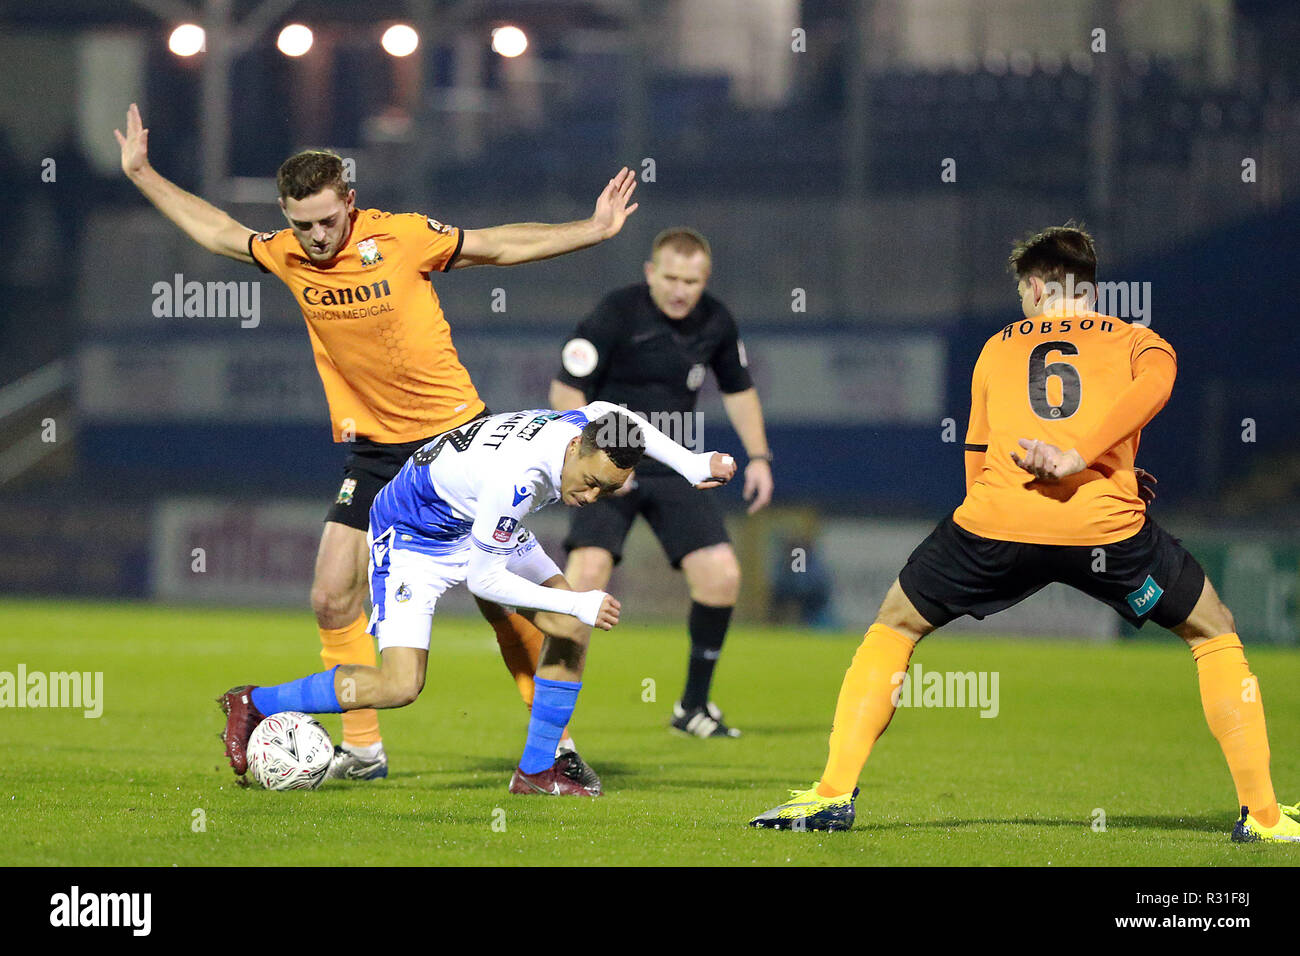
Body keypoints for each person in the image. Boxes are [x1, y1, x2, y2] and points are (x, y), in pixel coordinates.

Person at [116, 104, 638, 781]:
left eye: (327, 221)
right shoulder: (288, 253)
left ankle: (552, 752)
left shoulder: (403, 237)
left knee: (505, 603)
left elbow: (498, 244)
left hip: (455, 440)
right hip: (377, 453)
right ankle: (363, 752)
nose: (314, 237)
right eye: (300, 224)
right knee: (332, 595)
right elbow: (218, 231)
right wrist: (143, 173)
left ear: (350, 202)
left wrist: (592, 231)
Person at [750, 224, 1298, 842]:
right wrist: (1090, 459)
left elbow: (977, 452)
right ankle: (1264, 815)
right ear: (1088, 287)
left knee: (895, 624)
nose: (1022, 303)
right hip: (1103, 532)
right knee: (1212, 630)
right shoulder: (1135, 339)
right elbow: (1157, 385)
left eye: (1021, 293)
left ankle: (831, 796)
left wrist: (987, 521)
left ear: (1037, 286)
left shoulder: (997, 346)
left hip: (996, 523)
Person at [218, 405, 737, 794]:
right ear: (576, 448)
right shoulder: (518, 477)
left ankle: (536, 771)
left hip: (472, 518)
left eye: (608, 489)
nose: (592, 497)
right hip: (414, 533)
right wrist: (577, 602)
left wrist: (692, 464)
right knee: (401, 685)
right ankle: (254, 702)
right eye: (592, 483)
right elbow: (484, 580)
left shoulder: (591, 427)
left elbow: (624, 419)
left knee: (570, 627)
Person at [548, 228, 773, 738]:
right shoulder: (615, 312)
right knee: (584, 582)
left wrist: (758, 456)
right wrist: (599, 463)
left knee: (721, 575)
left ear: (705, 280)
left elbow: (739, 390)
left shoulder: (715, 321)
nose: (679, 289)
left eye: (691, 281)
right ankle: (556, 731)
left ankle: (692, 707)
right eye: (670, 277)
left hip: (672, 466)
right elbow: (566, 388)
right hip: (606, 469)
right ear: (651, 272)